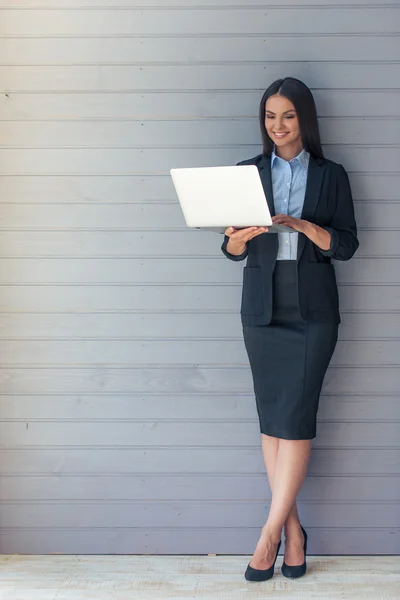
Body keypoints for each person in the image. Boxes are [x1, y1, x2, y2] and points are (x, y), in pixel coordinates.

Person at [221, 77, 359, 581]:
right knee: (272, 420)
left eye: (288, 116)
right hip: (261, 304)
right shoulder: (246, 173)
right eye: (270, 117)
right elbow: (230, 251)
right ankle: (295, 532)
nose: (278, 127)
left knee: (296, 418)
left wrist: (300, 225)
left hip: (313, 310)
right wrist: (239, 240)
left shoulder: (332, 175)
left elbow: (345, 245)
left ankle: (268, 534)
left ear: (305, 119)